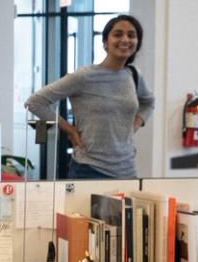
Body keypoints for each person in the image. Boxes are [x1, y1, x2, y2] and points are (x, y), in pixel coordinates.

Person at [24, 13, 156, 179]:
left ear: (137, 43)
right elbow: (35, 103)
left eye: (131, 35)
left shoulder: (134, 75)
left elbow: (149, 102)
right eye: (117, 34)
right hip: (89, 169)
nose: (125, 39)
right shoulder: (85, 76)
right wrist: (70, 130)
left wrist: (137, 122)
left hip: (127, 170)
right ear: (105, 43)